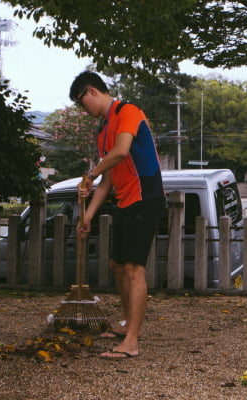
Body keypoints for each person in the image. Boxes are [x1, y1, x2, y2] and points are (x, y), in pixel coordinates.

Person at [70, 71, 165, 359]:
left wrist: (90, 173)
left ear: (91, 91)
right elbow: (108, 181)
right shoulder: (102, 130)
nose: (83, 110)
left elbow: (122, 151)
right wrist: (88, 216)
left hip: (145, 197)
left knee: (134, 268)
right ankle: (126, 325)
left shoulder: (127, 111)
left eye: (80, 102)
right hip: (125, 201)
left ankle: (132, 342)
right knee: (116, 264)